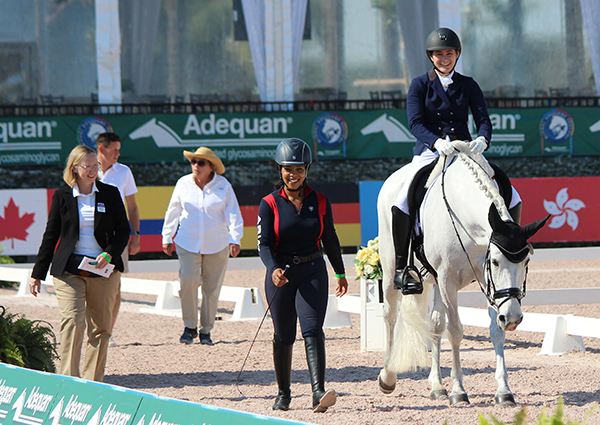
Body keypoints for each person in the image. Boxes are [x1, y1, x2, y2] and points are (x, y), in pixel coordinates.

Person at [392, 27, 523, 295]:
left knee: (515, 197)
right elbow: (415, 122)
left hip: (465, 150)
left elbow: (483, 119)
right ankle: (402, 267)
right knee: (403, 200)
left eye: (449, 53)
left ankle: (508, 249)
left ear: (457, 54)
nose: (444, 58)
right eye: (438, 54)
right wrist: (435, 141)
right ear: (431, 56)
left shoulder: (469, 84)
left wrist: (483, 139)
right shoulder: (419, 85)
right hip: (432, 151)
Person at [257, 138, 348, 413]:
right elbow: (263, 244)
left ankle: (318, 391)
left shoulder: (320, 201)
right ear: (279, 169)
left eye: (298, 169)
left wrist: (340, 272)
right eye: (288, 169)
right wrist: (273, 269)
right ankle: (283, 394)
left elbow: (330, 238)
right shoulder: (269, 203)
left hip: (313, 271)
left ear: (307, 169)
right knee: (284, 335)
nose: (293, 174)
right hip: (281, 274)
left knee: (312, 329)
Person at [29, 145, 130, 382]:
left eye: (96, 165)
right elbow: (51, 235)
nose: (93, 170)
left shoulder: (111, 193)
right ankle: (69, 382)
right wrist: (37, 273)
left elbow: (123, 231)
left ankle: (93, 384)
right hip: (69, 270)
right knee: (73, 322)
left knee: (101, 329)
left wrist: (109, 255)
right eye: (88, 166)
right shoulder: (62, 196)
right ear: (74, 168)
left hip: (103, 269)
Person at [161, 147, 243, 346]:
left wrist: (235, 238)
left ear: (211, 167)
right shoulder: (183, 183)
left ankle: (206, 330)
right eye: (193, 161)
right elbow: (173, 210)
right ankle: (189, 327)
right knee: (187, 281)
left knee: (211, 288)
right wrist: (167, 235)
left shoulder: (223, 185)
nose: (195, 166)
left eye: (201, 162)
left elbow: (233, 213)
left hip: (218, 243)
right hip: (188, 241)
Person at [96, 132, 141, 347]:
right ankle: (93, 329)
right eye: (114, 150)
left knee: (115, 287)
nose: (118, 154)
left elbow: (132, 206)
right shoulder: (87, 169)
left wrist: (136, 236)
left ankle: (108, 332)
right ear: (101, 149)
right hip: (91, 235)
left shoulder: (124, 172)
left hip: (116, 237)